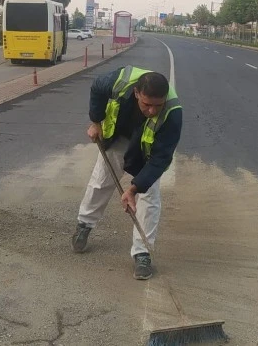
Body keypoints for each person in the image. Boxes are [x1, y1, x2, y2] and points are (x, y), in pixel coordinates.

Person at [71, 66, 182, 280]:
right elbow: (97, 89)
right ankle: (84, 224)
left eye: (157, 106)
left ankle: (142, 253)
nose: (151, 110)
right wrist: (96, 122)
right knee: (101, 181)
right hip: (121, 135)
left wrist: (134, 188)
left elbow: (160, 159)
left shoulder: (172, 114)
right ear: (136, 93)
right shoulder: (117, 81)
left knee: (149, 196)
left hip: (147, 147)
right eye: (146, 104)